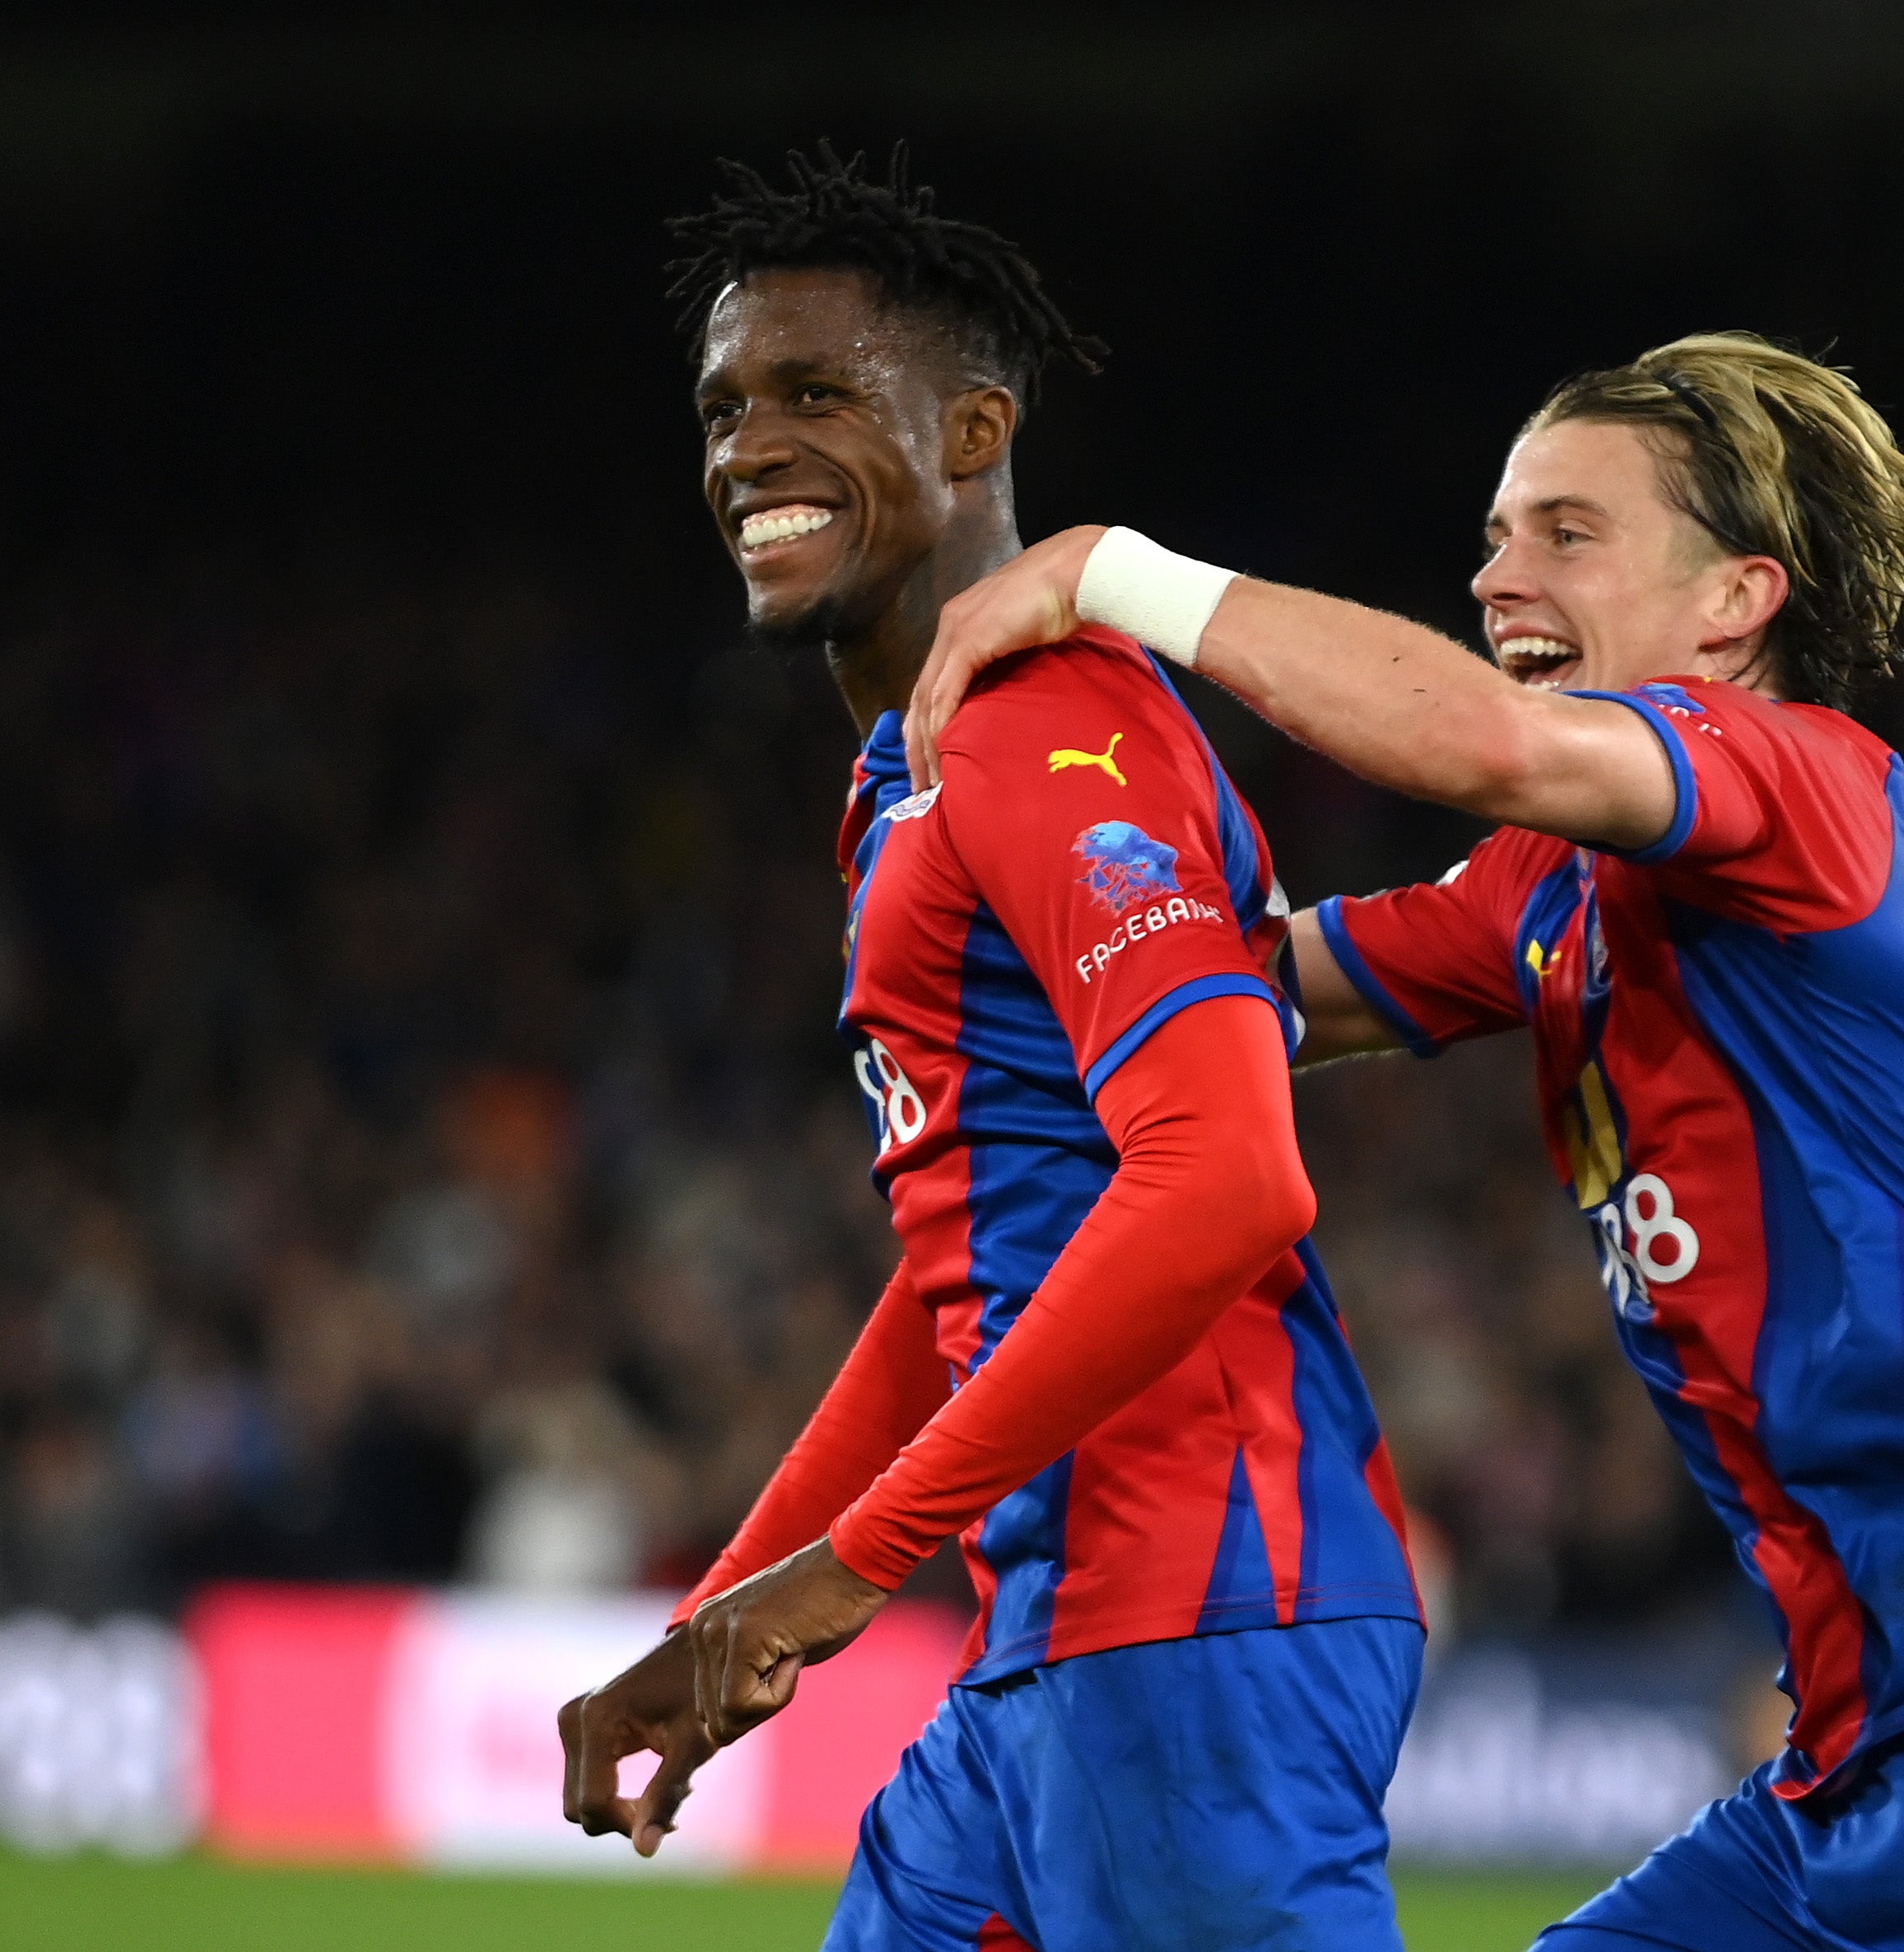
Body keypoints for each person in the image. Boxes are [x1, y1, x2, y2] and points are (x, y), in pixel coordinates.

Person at [907, 333, 1904, 1951]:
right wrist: (985, 875)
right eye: (1500, 531)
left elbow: (1488, 745)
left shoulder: (1807, 785)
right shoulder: (1544, 892)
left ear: (1737, 601)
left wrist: (1111, 575)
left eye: (1565, 532)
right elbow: (1230, 984)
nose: (1495, 571)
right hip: (1849, 1788)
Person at [553, 149, 1423, 1952]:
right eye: (724, 408)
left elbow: (1232, 1175)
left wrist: (845, 1575)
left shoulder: (1052, 730)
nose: (745, 450)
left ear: (971, 435)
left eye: (812, 394)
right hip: (1061, 1631)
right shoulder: (903, 781)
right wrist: (722, 1619)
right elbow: (962, 1282)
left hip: (1201, 1617)